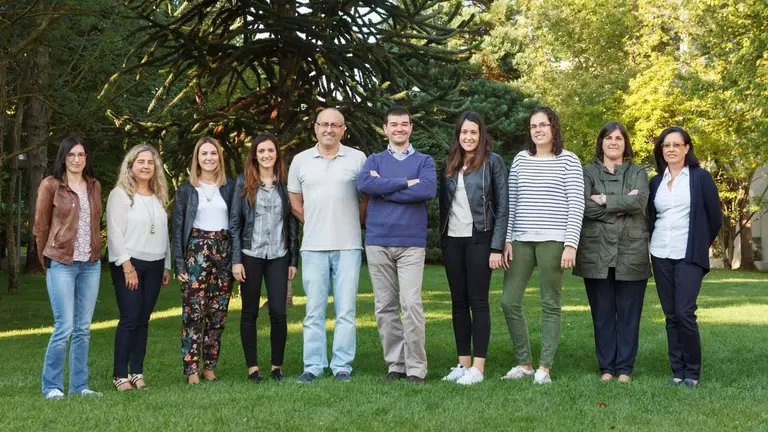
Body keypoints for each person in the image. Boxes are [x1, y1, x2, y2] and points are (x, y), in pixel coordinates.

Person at [500, 107, 585, 385]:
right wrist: (507, 238)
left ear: (553, 128)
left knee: (551, 303)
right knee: (509, 300)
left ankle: (544, 368)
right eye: (533, 126)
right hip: (521, 240)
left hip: (554, 239)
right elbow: (511, 203)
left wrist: (571, 244)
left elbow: (576, 204)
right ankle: (524, 363)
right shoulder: (521, 160)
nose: (537, 130)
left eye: (543, 125)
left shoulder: (569, 160)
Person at [357, 106, 437, 384]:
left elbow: (426, 190)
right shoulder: (374, 160)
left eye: (404, 124)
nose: (399, 129)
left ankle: (416, 369)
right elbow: (365, 184)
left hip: (411, 243)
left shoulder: (425, 161)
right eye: (394, 125)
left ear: (411, 128)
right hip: (378, 240)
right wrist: (405, 184)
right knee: (385, 307)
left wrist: (386, 189)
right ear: (385, 128)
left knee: (411, 304)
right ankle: (396, 365)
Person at [288, 108, 368, 382]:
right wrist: (312, 222)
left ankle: (342, 366)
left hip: (348, 246)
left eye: (335, 125)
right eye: (324, 125)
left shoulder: (358, 159)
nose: (329, 130)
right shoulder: (300, 161)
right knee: (314, 310)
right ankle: (312, 366)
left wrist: (350, 222)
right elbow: (295, 201)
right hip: (312, 247)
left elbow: (366, 199)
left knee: (346, 310)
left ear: (343, 130)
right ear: (315, 128)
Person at [573, 121, 651, 383]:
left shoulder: (638, 171)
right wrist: (622, 205)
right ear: (601, 142)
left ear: (625, 143)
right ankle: (607, 367)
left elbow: (639, 201)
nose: (614, 142)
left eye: (619, 138)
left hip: (632, 250)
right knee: (603, 313)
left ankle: (625, 369)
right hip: (596, 252)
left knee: (629, 315)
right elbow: (583, 207)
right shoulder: (587, 171)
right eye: (608, 138)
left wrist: (603, 199)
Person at [649, 126, 722, 387]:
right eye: (666, 145)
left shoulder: (700, 178)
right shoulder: (656, 181)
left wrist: (700, 245)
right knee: (670, 315)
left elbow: (715, 218)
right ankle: (677, 371)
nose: (670, 149)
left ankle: (692, 372)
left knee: (685, 312)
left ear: (686, 148)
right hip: (659, 253)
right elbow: (652, 217)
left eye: (676, 145)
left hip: (688, 254)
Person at [438, 111, 508, 385]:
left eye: (473, 132)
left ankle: (478, 368)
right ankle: (462, 363)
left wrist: (496, 246)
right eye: (464, 132)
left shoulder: (493, 162)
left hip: (481, 237)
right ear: (458, 135)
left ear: (481, 135)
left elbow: (503, 207)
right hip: (452, 239)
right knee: (458, 302)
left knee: (478, 302)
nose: (468, 137)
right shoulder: (449, 163)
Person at [34, 136, 103, 399]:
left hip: (90, 264)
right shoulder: (51, 185)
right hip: (60, 263)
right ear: (63, 157)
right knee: (64, 327)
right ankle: (51, 386)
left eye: (81, 155)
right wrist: (47, 261)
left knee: (83, 328)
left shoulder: (94, 186)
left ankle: (79, 386)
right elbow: (40, 226)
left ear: (86, 158)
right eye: (72, 155)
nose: (76, 159)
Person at [231, 133, 299, 383]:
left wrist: (293, 260)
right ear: (255, 156)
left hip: (279, 256)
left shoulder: (285, 184)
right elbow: (235, 224)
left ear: (277, 154)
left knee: (279, 313)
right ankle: (253, 369)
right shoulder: (243, 183)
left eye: (271, 150)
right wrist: (236, 260)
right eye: (261, 151)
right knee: (249, 313)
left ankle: (276, 367)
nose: (266, 155)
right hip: (250, 255)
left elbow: (292, 224)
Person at [107, 144, 171, 391]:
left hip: (155, 265)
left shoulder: (158, 195)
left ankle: (137, 372)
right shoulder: (120, 195)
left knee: (144, 319)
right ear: (130, 165)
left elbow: (162, 232)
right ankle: (119, 375)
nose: (146, 166)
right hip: (129, 263)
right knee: (130, 316)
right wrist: (126, 265)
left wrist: (166, 264)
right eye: (141, 161)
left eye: (150, 162)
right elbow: (114, 233)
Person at [172, 137, 235, 384]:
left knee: (217, 312)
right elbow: (177, 229)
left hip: (223, 252)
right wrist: (179, 263)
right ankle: (191, 370)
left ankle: (209, 366)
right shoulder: (187, 189)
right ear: (197, 158)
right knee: (193, 313)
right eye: (204, 154)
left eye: (213, 153)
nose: (209, 158)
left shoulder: (228, 187)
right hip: (196, 252)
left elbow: (236, 224)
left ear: (219, 157)